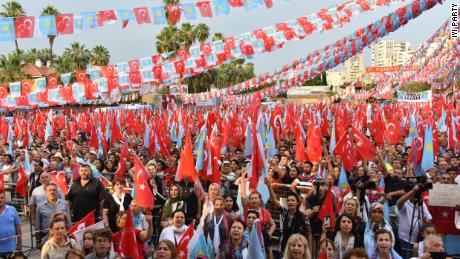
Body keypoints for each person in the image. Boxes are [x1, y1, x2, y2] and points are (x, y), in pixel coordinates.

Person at [397, 184, 432, 258]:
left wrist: (426, 220)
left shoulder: (421, 203)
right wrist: (413, 190)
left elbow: (429, 218)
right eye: (414, 192)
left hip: (418, 240)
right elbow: (399, 202)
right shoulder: (405, 203)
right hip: (405, 239)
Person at [35, 183, 71, 248]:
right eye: (49, 190)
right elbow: (38, 225)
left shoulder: (64, 203)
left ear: (57, 192)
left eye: (54, 190)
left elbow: (69, 221)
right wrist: (38, 241)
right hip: (46, 237)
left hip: (62, 235)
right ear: (45, 193)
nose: (52, 192)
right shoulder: (40, 207)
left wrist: (70, 234)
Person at [0, 189, 21, 257]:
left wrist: (19, 243)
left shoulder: (12, 209)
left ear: (5, 198)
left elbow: (18, 226)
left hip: (12, 248)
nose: (0, 200)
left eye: (2, 198)